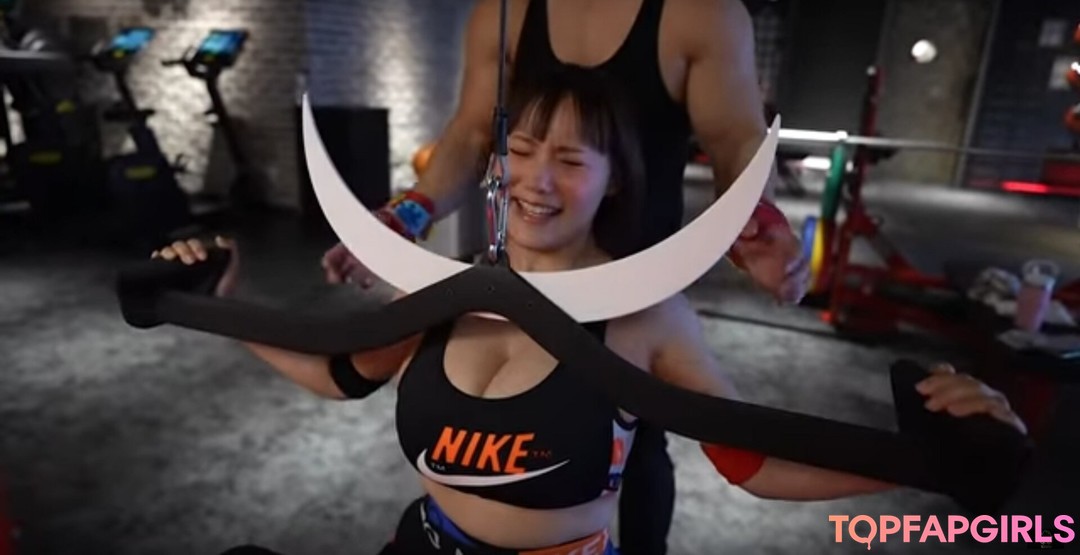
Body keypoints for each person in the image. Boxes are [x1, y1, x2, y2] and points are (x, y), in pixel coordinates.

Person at [156, 67, 1026, 555]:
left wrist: (925, 459)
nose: (538, 178)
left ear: (613, 181)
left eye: (572, 159)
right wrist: (215, 304)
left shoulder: (648, 314)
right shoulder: (443, 290)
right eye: (522, 149)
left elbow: (752, 461)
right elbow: (340, 371)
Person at [322, 2, 807, 552]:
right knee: (499, 425)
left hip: (636, 288)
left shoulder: (701, 14)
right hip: (528, 267)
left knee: (641, 447)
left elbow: (734, 137)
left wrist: (756, 222)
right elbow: (473, 132)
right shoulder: (502, 13)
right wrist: (402, 219)